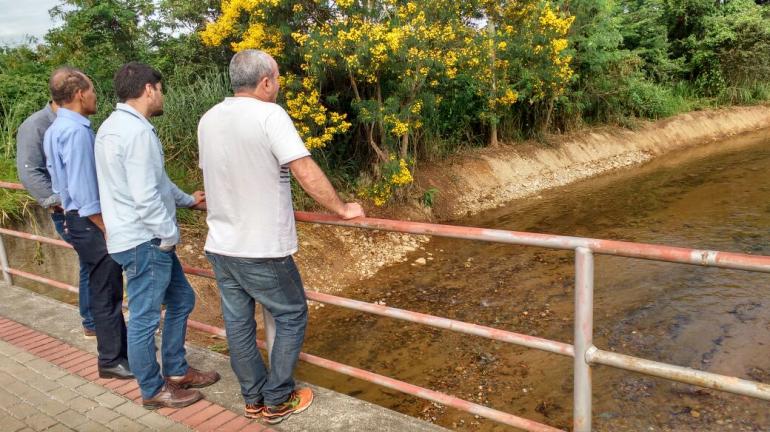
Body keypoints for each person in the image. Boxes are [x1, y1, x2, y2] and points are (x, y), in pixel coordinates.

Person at [197, 49, 365, 424]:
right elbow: (303, 168)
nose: (278, 86)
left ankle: (252, 398)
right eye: (277, 79)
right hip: (262, 248)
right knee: (292, 314)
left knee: (239, 324)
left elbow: (215, 173)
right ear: (266, 82)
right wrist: (342, 209)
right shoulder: (269, 114)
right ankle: (277, 399)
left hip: (222, 245)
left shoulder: (208, 118)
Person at [94, 62, 219, 409]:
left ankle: (177, 370)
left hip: (135, 237)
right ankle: (153, 389)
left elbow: (157, 181)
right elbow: (145, 194)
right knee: (145, 319)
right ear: (149, 89)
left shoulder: (112, 127)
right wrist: (167, 236)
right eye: (161, 89)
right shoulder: (136, 133)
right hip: (145, 241)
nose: (163, 95)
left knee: (181, 301)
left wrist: (186, 200)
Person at [42, 67, 132, 379]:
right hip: (89, 222)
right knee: (107, 293)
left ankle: (120, 354)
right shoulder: (77, 132)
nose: (95, 95)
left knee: (102, 289)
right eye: (92, 90)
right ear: (80, 94)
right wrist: (107, 227)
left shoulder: (56, 128)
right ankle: (111, 360)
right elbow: (83, 189)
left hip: (75, 219)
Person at [16, 96, 96, 339]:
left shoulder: (75, 123)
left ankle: (93, 321)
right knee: (93, 263)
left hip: (82, 208)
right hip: (70, 212)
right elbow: (29, 172)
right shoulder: (36, 125)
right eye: (90, 89)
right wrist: (58, 202)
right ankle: (92, 321)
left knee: (91, 263)